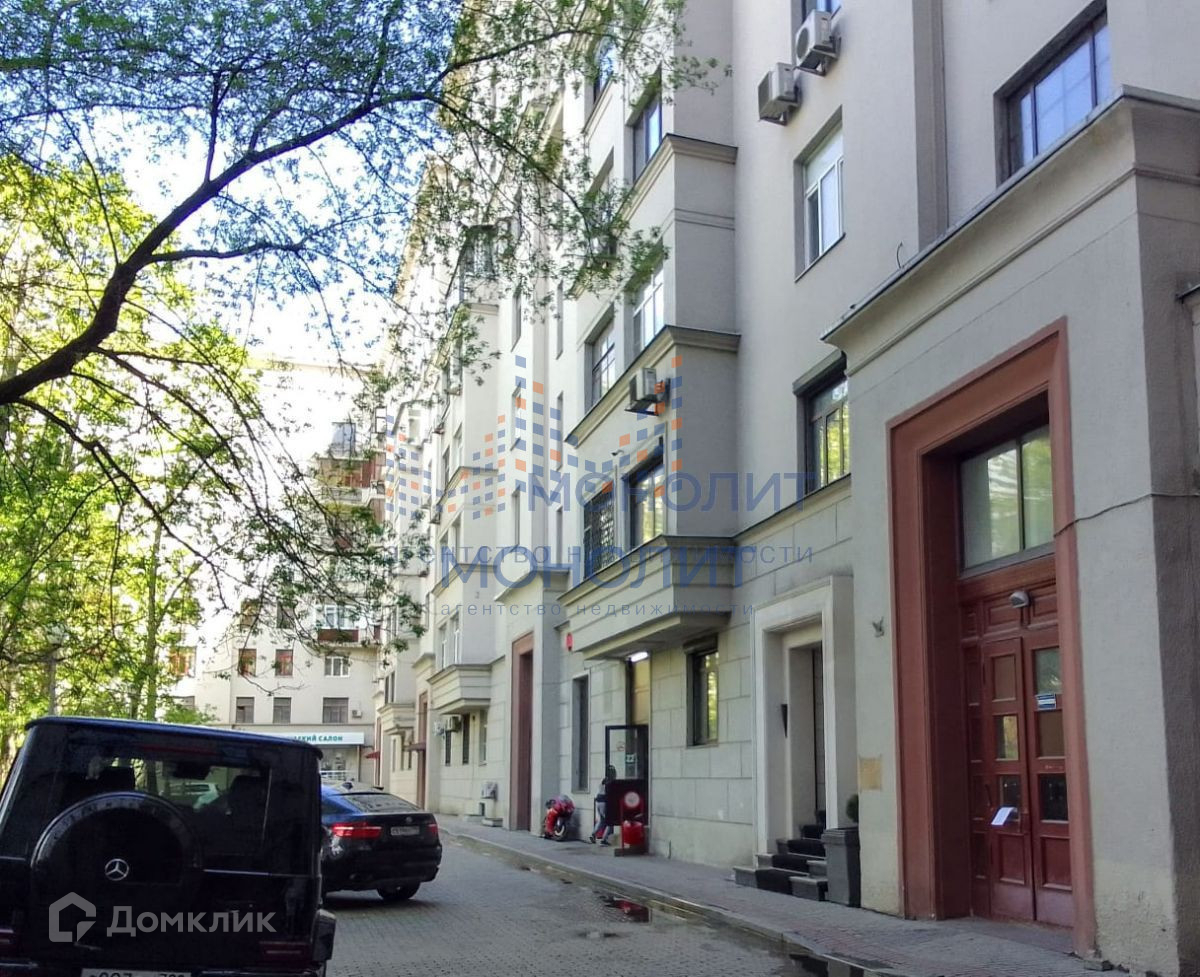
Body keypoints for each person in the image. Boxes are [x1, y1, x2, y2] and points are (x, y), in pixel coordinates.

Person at [589, 765, 618, 845]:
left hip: (598, 802)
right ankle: (604, 839)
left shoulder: (603, 780)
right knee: (610, 822)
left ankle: (593, 834)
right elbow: (610, 793)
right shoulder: (610, 782)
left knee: (601, 820)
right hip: (604, 803)